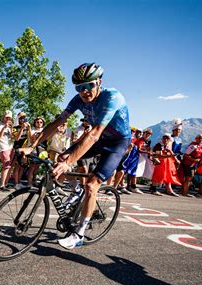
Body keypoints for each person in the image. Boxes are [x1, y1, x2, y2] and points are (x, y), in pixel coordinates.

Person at [21, 63, 130, 249]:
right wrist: (32, 146)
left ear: (99, 82)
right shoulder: (78, 99)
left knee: (91, 184)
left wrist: (70, 162)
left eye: (89, 85)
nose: (84, 91)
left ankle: (79, 234)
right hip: (97, 138)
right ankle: (78, 191)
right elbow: (58, 122)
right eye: (80, 88)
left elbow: (95, 133)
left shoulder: (112, 97)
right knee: (61, 158)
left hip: (116, 143)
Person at [0, 110, 14, 191]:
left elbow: (12, 137)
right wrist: (4, 127)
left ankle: (6, 183)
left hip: (10, 147)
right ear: (3, 116)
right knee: (6, 165)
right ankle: (2, 185)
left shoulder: (10, 125)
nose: (8, 119)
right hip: (3, 147)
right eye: (7, 117)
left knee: (10, 166)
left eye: (9, 118)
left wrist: (11, 128)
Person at [12, 112, 30, 189]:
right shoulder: (15, 127)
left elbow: (30, 138)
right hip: (17, 148)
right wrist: (22, 129)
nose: (22, 120)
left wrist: (29, 128)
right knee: (17, 166)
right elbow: (17, 138)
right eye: (21, 118)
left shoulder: (27, 127)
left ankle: (19, 182)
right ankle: (16, 183)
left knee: (22, 166)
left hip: (25, 149)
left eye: (24, 118)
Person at [27, 116, 46, 186]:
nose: (39, 123)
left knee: (37, 167)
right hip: (33, 150)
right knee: (32, 167)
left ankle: (34, 180)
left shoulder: (45, 130)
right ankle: (29, 183)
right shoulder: (32, 130)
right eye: (37, 122)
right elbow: (32, 139)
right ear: (35, 123)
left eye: (41, 122)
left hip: (42, 150)